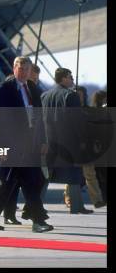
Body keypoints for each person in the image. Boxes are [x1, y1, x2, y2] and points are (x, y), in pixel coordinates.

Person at [0, 56, 52, 233]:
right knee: (27, 181)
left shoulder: (32, 88)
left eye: (27, 69)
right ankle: (38, 220)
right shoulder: (6, 88)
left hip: (30, 143)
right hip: (12, 143)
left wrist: (42, 141)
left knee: (16, 182)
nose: (24, 72)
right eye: (21, 69)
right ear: (14, 68)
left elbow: (40, 118)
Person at [42, 68, 93, 215]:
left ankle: (35, 204)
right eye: (70, 77)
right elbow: (77, 121)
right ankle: (76, 206)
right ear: (64, 78)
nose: (72, 80)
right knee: (74, 175)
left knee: (46, 176)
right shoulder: (71, 96)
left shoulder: (45, 95)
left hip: (49, 141)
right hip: (69, 143)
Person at [74, 86, 106, 209]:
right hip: (74, 147)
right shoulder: (72, 110)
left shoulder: (89, 111)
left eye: (81, 94)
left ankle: (97, 200)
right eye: (77, 94)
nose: (79, 97)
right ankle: (69, 198)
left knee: (90, 174)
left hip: (87, 148)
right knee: (72, 176)